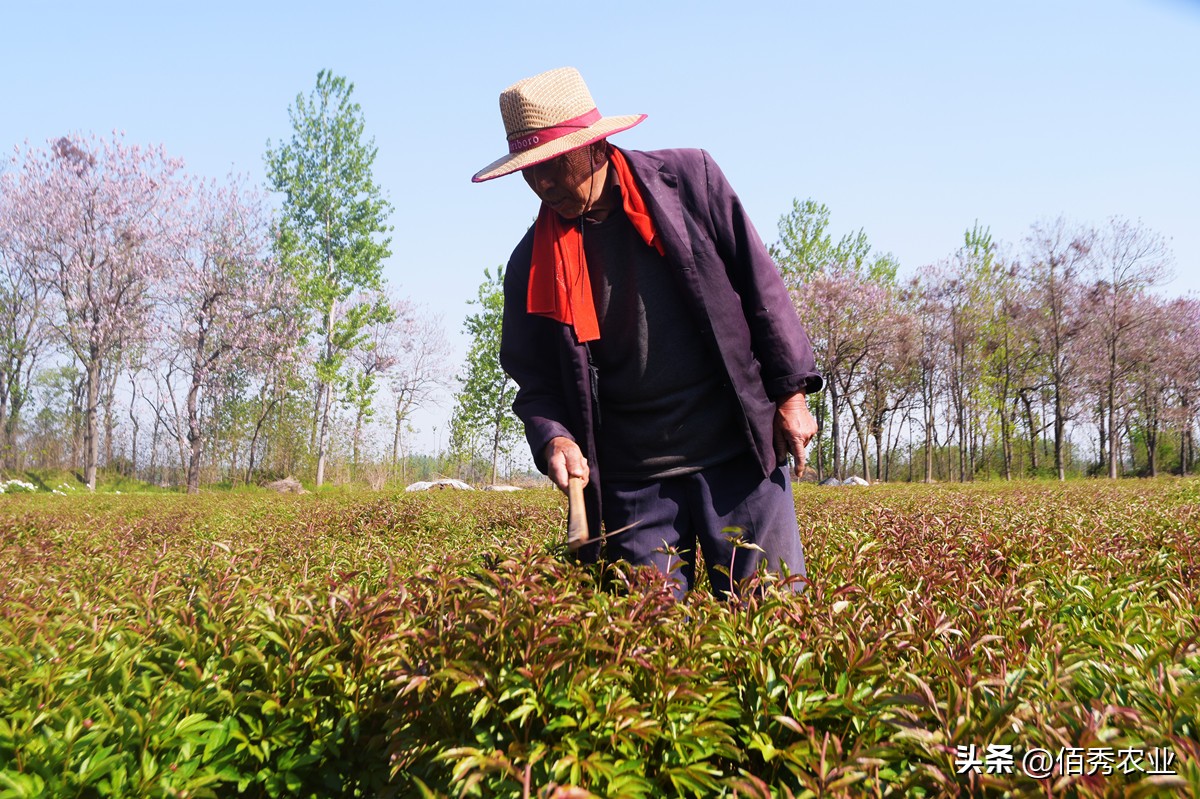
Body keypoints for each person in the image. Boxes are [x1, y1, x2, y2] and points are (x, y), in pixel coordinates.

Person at [472, 67, 823, 599]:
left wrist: (791, 394)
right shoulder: (530, 263)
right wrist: (555, 437)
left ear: (595, 148)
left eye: (551, 165)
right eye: (529, 172)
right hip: (634, 484)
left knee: (774, 618)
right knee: (648, 644)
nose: (542, 184)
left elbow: (760, 287)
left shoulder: (688, 181)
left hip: (737, 455)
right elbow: (535, 380)